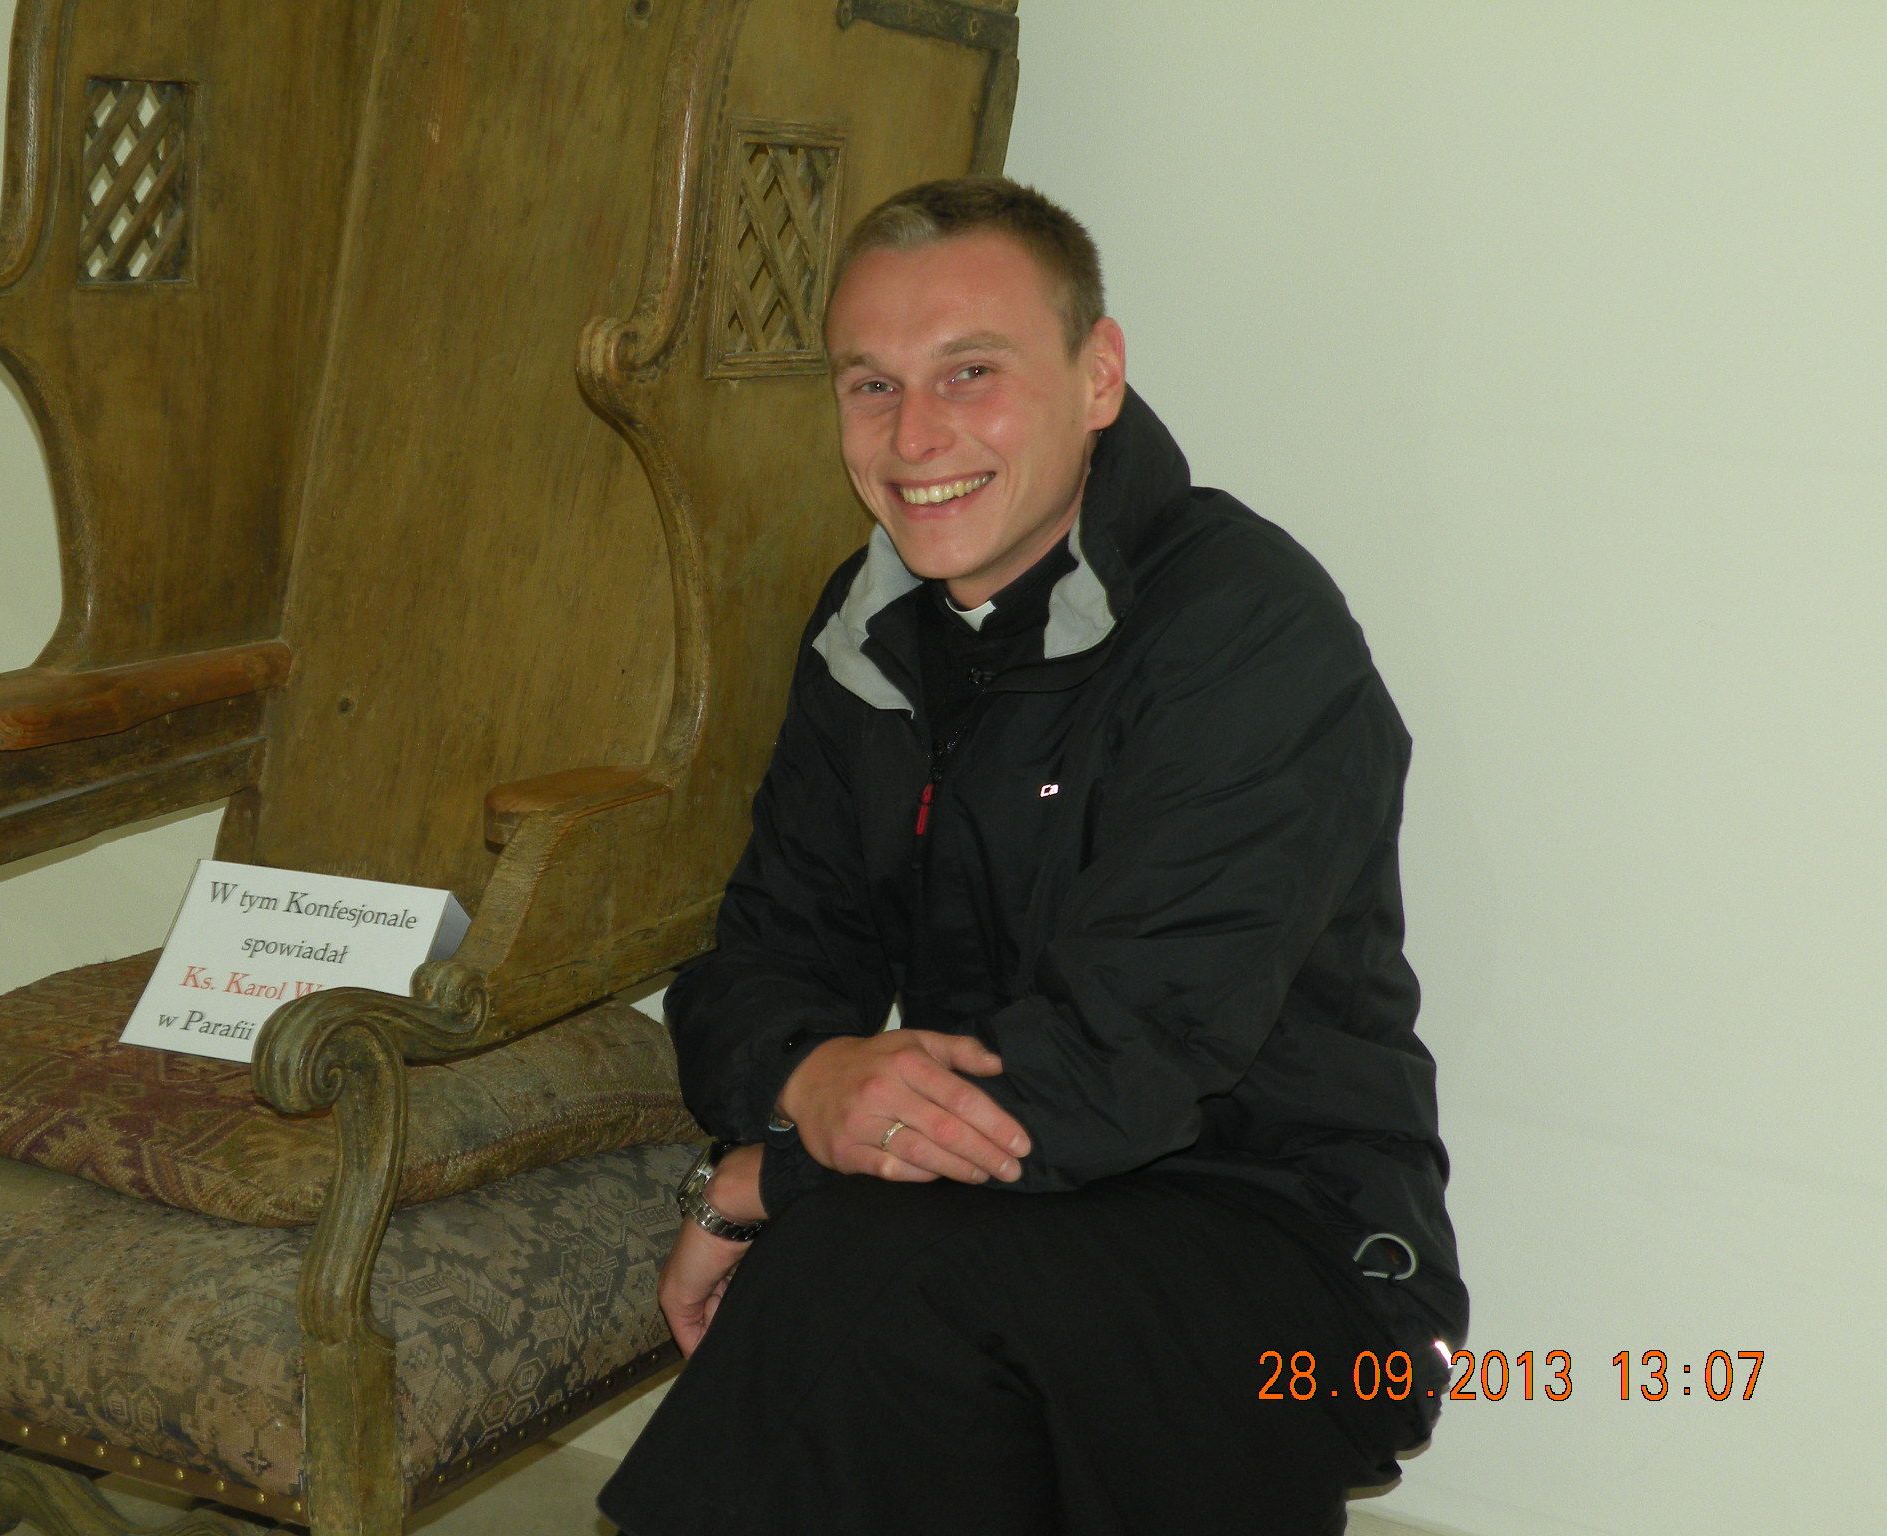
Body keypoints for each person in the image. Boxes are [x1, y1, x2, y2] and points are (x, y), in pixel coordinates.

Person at [598, 177, 1465, 1536]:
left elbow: (1128, 1057)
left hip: (1301, 1259)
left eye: (971, 373)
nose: (914, 436)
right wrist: (812, 1078)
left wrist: (768, 1177)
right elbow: (759, 961)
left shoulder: (1247, 627)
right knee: (873, 1297)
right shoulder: (870, 628)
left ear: (1098, 374)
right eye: (870, 386)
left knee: (864, 1272)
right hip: (1000, 1204)